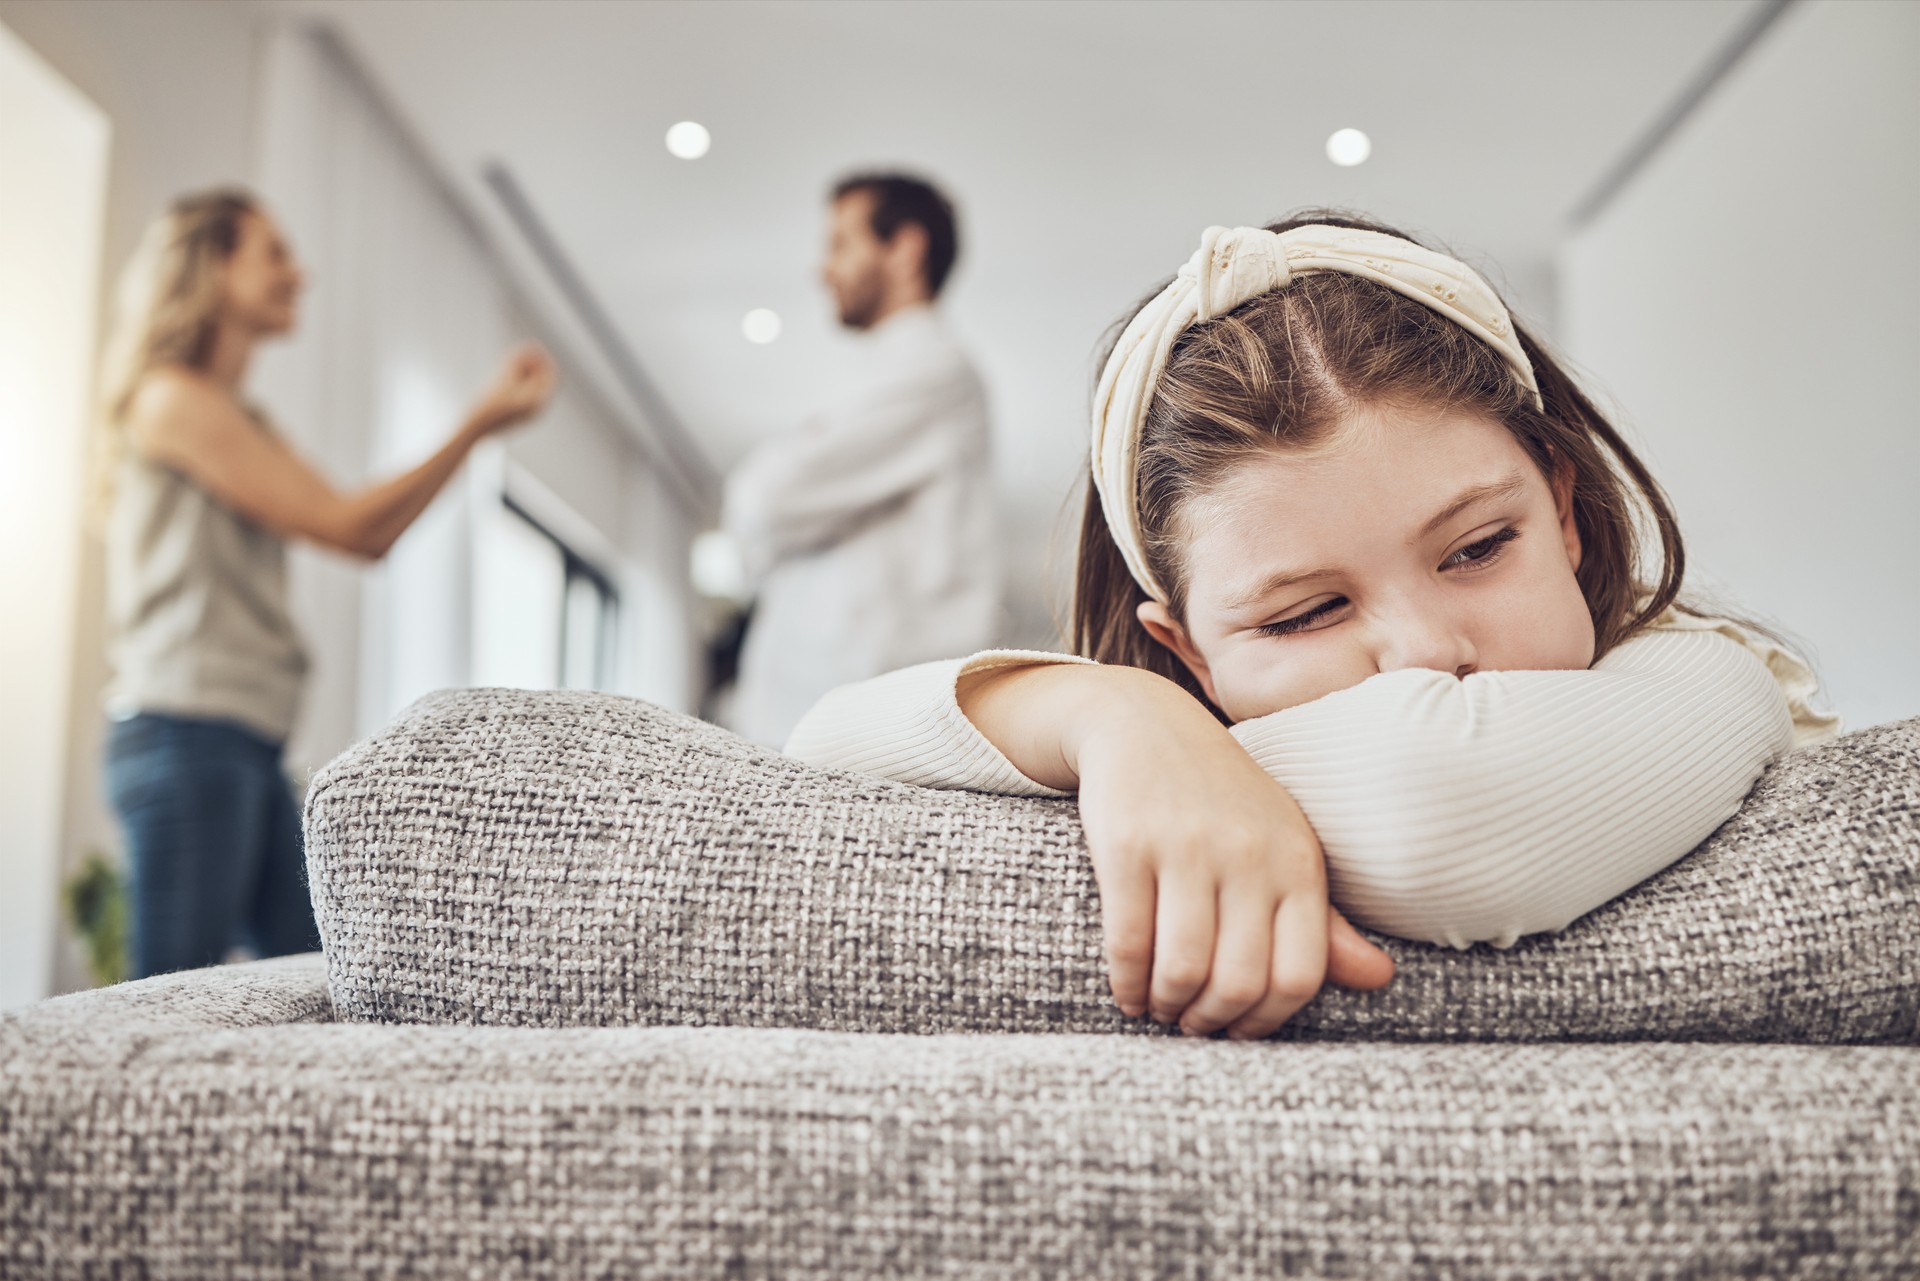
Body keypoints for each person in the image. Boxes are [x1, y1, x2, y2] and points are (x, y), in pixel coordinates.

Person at [788, 212, 1838, 1040]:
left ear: (1562, 512)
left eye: (1477, 549)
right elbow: (822, 745)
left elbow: (1448, 812)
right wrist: (1118, 715)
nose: (1427, 651)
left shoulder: (1712, 674)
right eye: (1307, 613)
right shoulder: (1158, 713)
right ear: (1187, 651)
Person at [96, 188, 555, 979]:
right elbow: (351, 525)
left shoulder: (242, 420)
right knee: (166, 1011)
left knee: (320, 977)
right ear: (212, 265)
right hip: (187, 733)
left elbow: (362, 529)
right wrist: (477, 422)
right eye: (273, 253)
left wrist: (481, 426)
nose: (297, 274)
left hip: (239, 741)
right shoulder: (174, 400)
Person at [720, 173, 997, 747]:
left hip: (856, 733)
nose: (823, 269)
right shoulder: (884, 376)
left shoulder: (933, 372)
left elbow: (762, 501)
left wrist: (779, 488)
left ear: (904, 250)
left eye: (841, 244)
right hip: (817, 727)